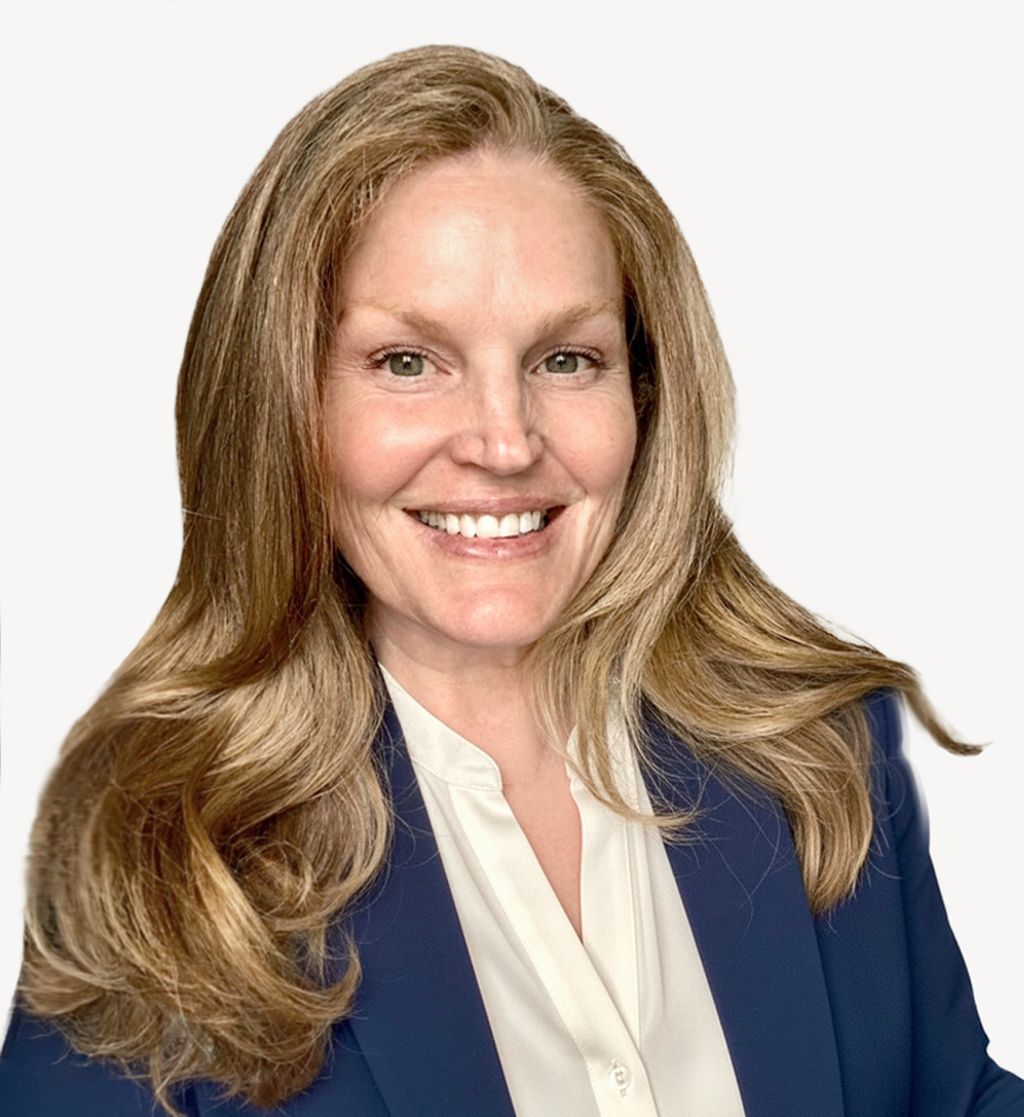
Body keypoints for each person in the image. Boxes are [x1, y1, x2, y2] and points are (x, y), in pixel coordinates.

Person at [1, 42, 1021, 1117]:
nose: (503, 442)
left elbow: (951, 1101)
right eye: (407, 362)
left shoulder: (816, 749)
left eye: (564, 359)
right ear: (284, 405)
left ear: (646, 392)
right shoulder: (161, 852)